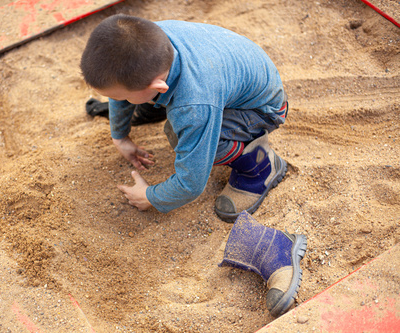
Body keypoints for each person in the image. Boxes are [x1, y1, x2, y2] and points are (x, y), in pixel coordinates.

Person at [81, 15, 306, 316]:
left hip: (263, 109)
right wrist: (120, 136)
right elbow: (122, 90)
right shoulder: (147, 43)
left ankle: (258, 166)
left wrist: (150, 197)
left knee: (179, 134)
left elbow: (191, 182)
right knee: (172, 118)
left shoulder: (194, 106)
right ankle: (159, 108)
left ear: (158, 86)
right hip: (223, 79)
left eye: (120, 98)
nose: (115, 101)